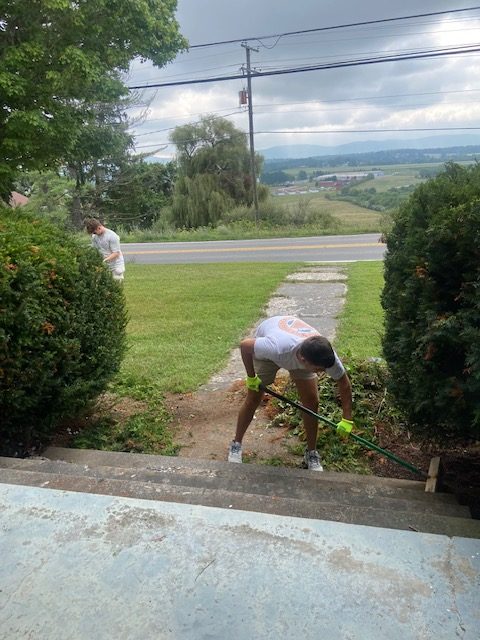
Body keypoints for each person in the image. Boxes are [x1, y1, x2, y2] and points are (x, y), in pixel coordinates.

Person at [228, 315, 354, 471]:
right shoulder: (274, 348)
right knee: (254, 398)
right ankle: (236, 444)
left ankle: (311, 453)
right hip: (271, 352)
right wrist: (251, 377)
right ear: (302, 359)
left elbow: (344, 383)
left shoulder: (326, 356)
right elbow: (245, 346)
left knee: (312, 403)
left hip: (298, 350)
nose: (321, 373)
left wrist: (347, 419)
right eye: (318, 369)